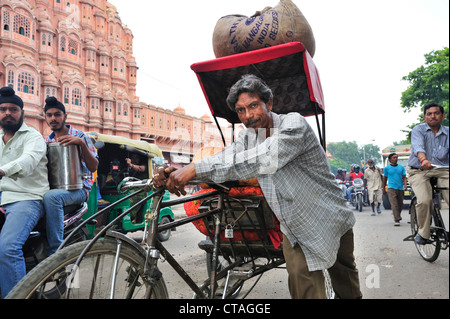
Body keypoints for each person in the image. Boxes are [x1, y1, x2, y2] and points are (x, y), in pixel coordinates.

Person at [153, 74, 361, 299]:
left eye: (253, 106)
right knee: (305, 288)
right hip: (295, 226)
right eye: (241, 110)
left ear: (269, 103)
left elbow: (263, 158)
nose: (248, 116)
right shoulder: (248, 137)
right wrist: (178, 174)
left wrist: (193, 170)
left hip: (329, 217)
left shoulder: (294, 125)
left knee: (346, 283)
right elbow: (227, 159)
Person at [0, 87, 49, 297]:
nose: (7, 113)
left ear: (22, 113)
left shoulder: (33, 137)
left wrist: (3, 170)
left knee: (8, 248)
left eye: (13, 109)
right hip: (3, 196)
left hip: (26, 198)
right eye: (3, 109)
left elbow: (28, 161)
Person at [43, 97, 98, 255]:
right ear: (46, 118)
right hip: (56, 188)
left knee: (52, 198)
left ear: (65, 116)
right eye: (49, 115)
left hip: (79, 190)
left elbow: (94, 166)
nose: (53, 118)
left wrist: (80, 144)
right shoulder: (48, 140)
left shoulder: (81, 136)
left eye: (57, 114)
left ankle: (56, 253)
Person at [407, 103, 449, 244]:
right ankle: (423, 233)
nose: (433, 116)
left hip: (442, 170)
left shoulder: (448, 132)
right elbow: (418, 147)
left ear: (443, 116)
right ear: (425, 117)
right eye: (429, 114)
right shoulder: (418, 130)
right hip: (419, 170)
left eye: (436, 113)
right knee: (425, 200)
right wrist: (423, 160)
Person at [382, 153, 407, 226]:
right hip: (391, 188)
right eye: (394, 157)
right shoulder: (387, 168)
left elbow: (404, 177)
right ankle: (397, 218)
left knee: (400, 204)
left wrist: (405, 185)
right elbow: (384, 179)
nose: (396, 159)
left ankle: (397, 215)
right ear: (390, 160)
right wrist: (383, 189)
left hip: (400, 188)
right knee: (394, 204)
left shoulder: (401, 167)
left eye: (396, 157)